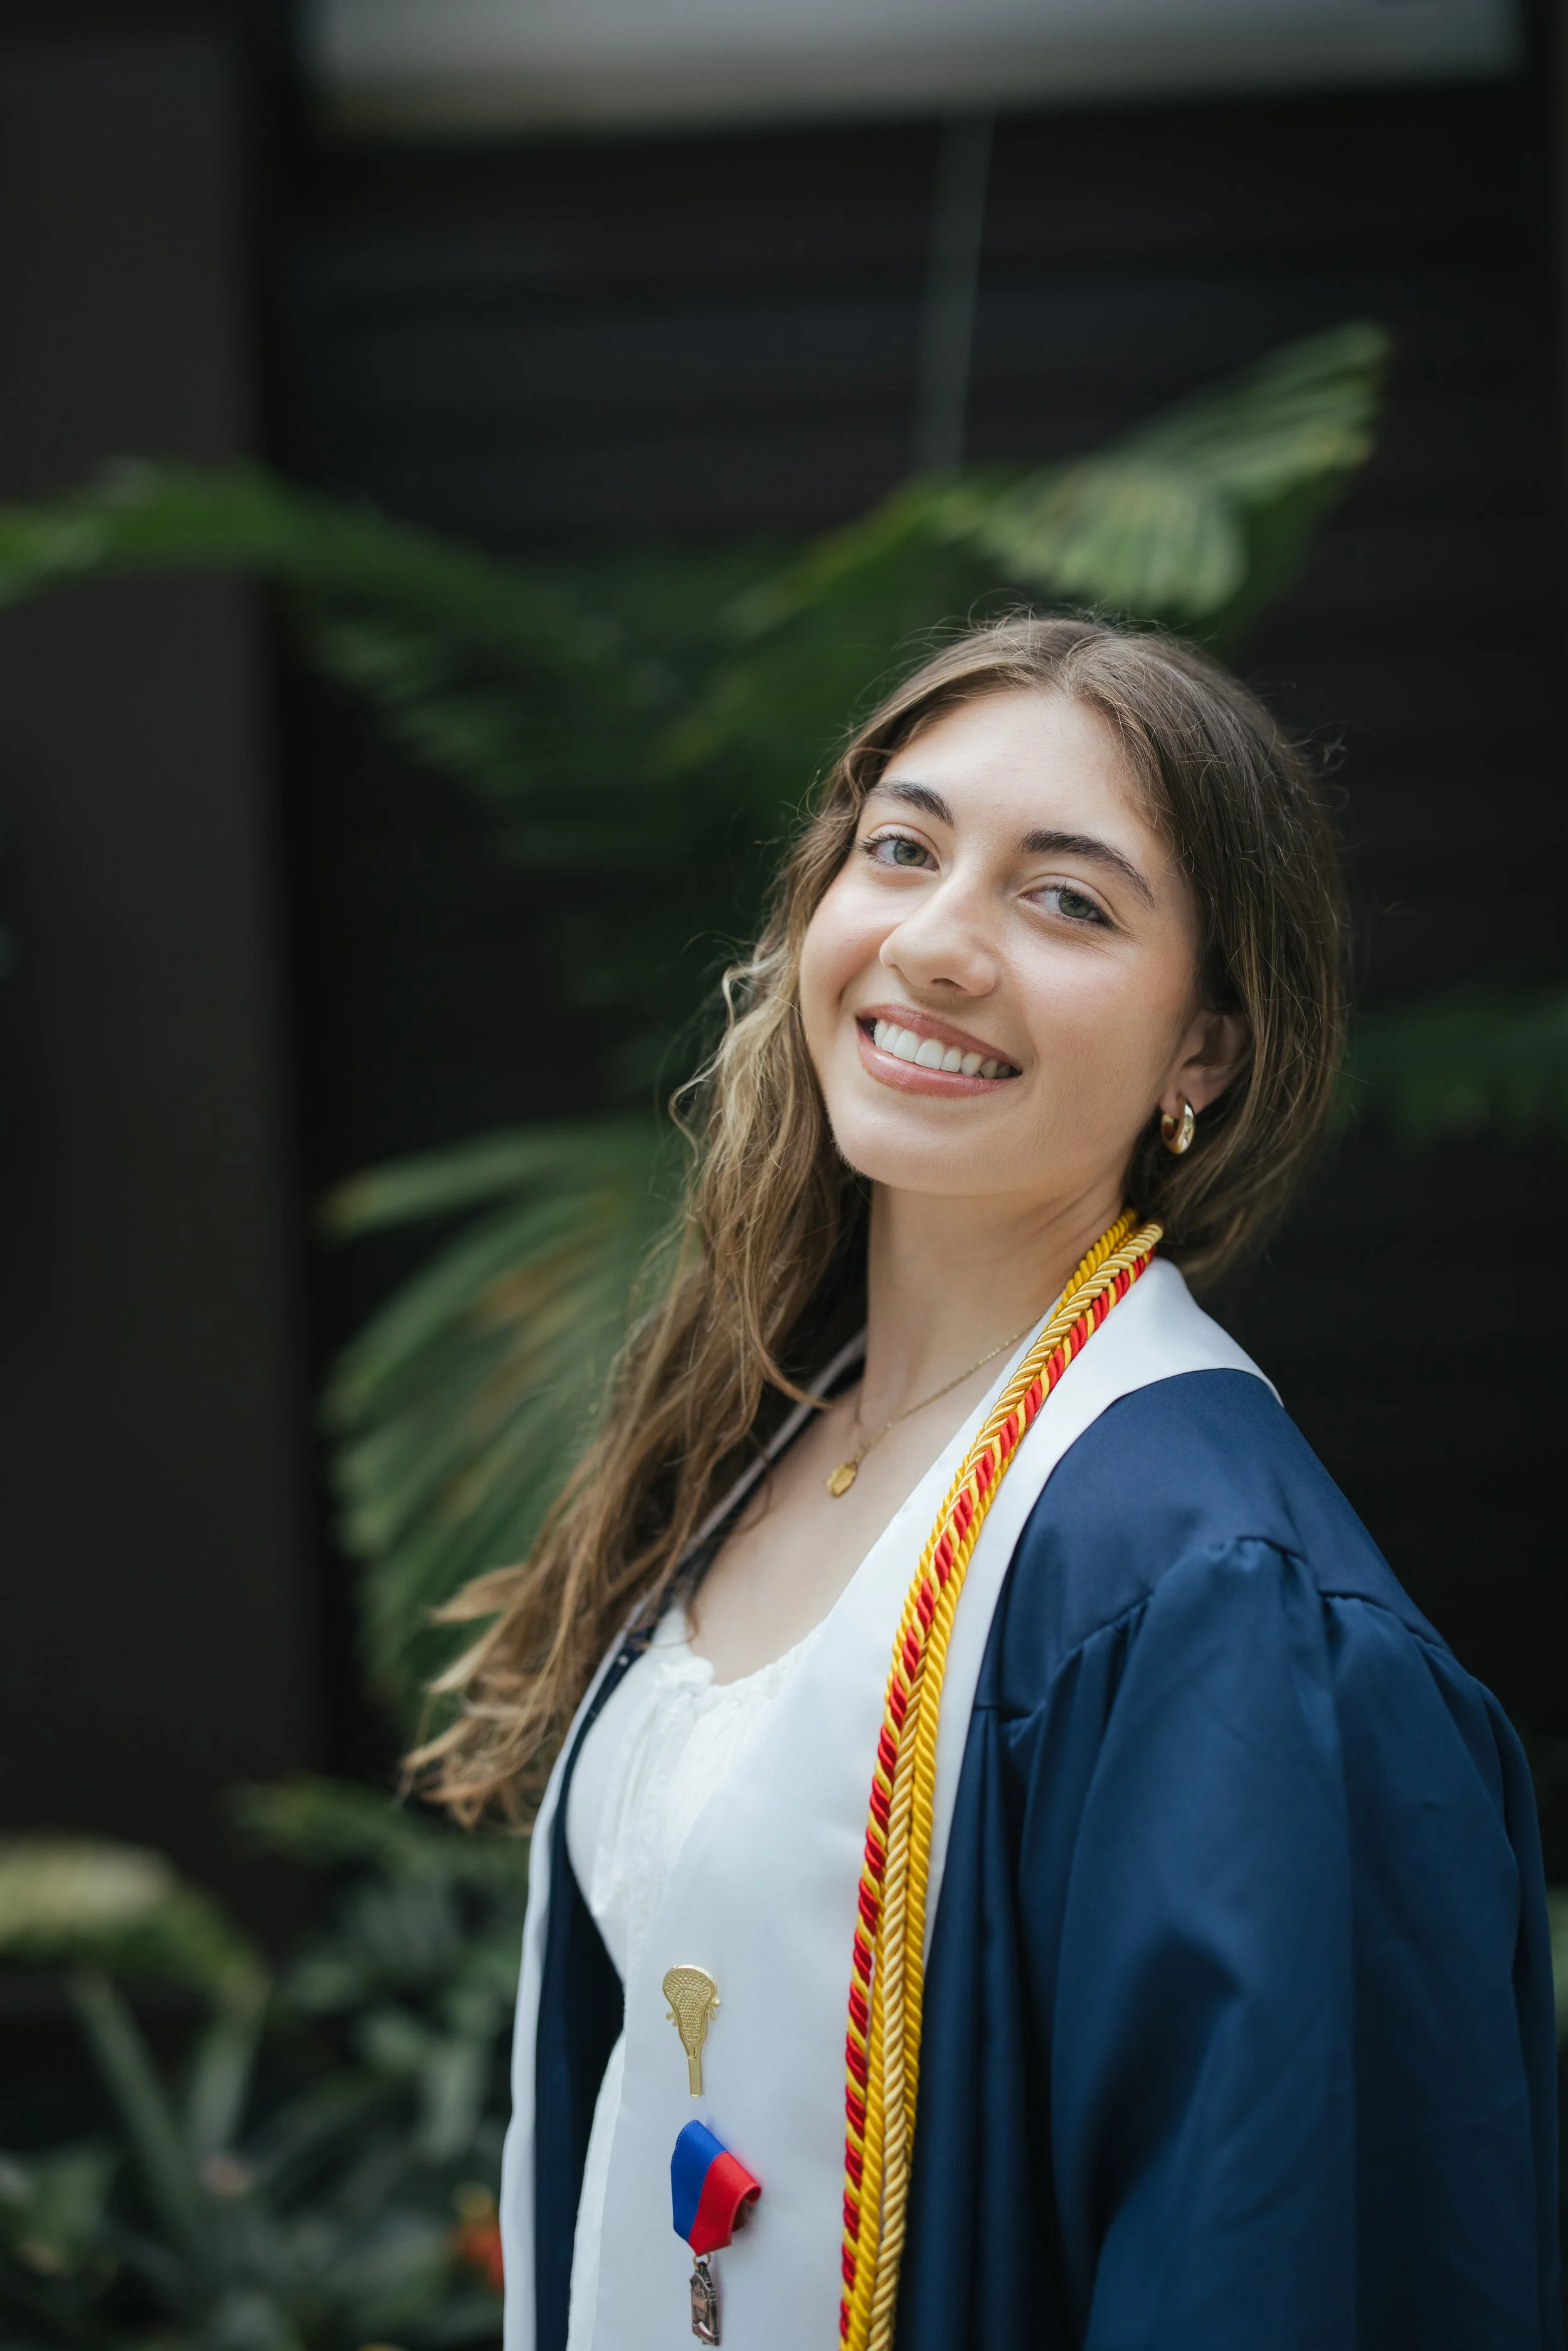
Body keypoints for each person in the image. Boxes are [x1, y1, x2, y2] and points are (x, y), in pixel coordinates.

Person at [419, 616, 1560, 2351]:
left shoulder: (1200, 1599)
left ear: (1207, 1056)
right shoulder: (764, 1429)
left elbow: (1256, 2264)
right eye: (902, 847)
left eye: (1068, 900)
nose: (938, 942)